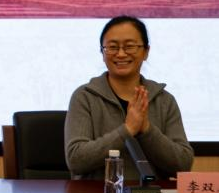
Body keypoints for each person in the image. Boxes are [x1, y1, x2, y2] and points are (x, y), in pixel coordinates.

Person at [65, 16, 192, 182]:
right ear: (102, 53)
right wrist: (127, 130)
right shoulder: (84, 97)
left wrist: (146, 129)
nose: (121, 54)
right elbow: (75, 160)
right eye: (112, 47)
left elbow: (183, 164)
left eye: (130, 46)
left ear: (146, 51)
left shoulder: (164, 100)